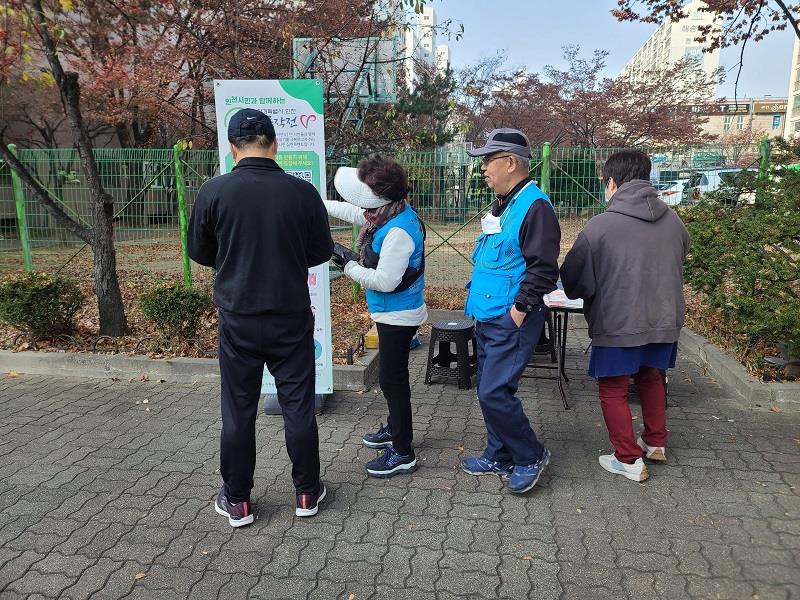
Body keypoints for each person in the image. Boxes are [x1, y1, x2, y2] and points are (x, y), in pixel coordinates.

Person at [188, 108, 333, 526]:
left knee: (238, 410)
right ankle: (307, 492)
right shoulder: (301, 192)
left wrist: (234, 258)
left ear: (233, 149)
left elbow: (200, 252)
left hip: (238, 318)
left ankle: (237, 500)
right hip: (290, 316)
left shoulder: (214, 191)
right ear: (275, 144)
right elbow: (320, 252)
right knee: (297, 406)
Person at [560, 150, 689, 483]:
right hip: (663, 319)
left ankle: (627, 458)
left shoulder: (601, 226)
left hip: (619, 322)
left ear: (612, 183)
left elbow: (573, 280)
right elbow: (681, 257)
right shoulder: (673, 219)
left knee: (613, 389)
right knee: (651, 376)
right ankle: (655, 442)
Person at [460, 128, 561, 494]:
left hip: (510, 319)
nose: (484, 169)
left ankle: (530, 454)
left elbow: (544, 269)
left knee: (494, 392)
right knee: (488, 388)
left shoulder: (535, 207)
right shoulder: (505, 203)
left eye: (488, 161)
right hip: (487, 315)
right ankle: (498, 453)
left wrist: (519, 310)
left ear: (510, 162)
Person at [325, 155, 427, 478]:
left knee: (392, 381)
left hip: (399, 316)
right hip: (392, 313)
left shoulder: (397, 232)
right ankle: (397, 430)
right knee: (392, 379)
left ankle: (402, 450)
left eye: (369, 206)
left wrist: (348, 264)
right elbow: (354, 211)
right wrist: (317, 202)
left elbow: (385, 280)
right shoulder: (388, 214)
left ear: (382, 201)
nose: (364, 213)